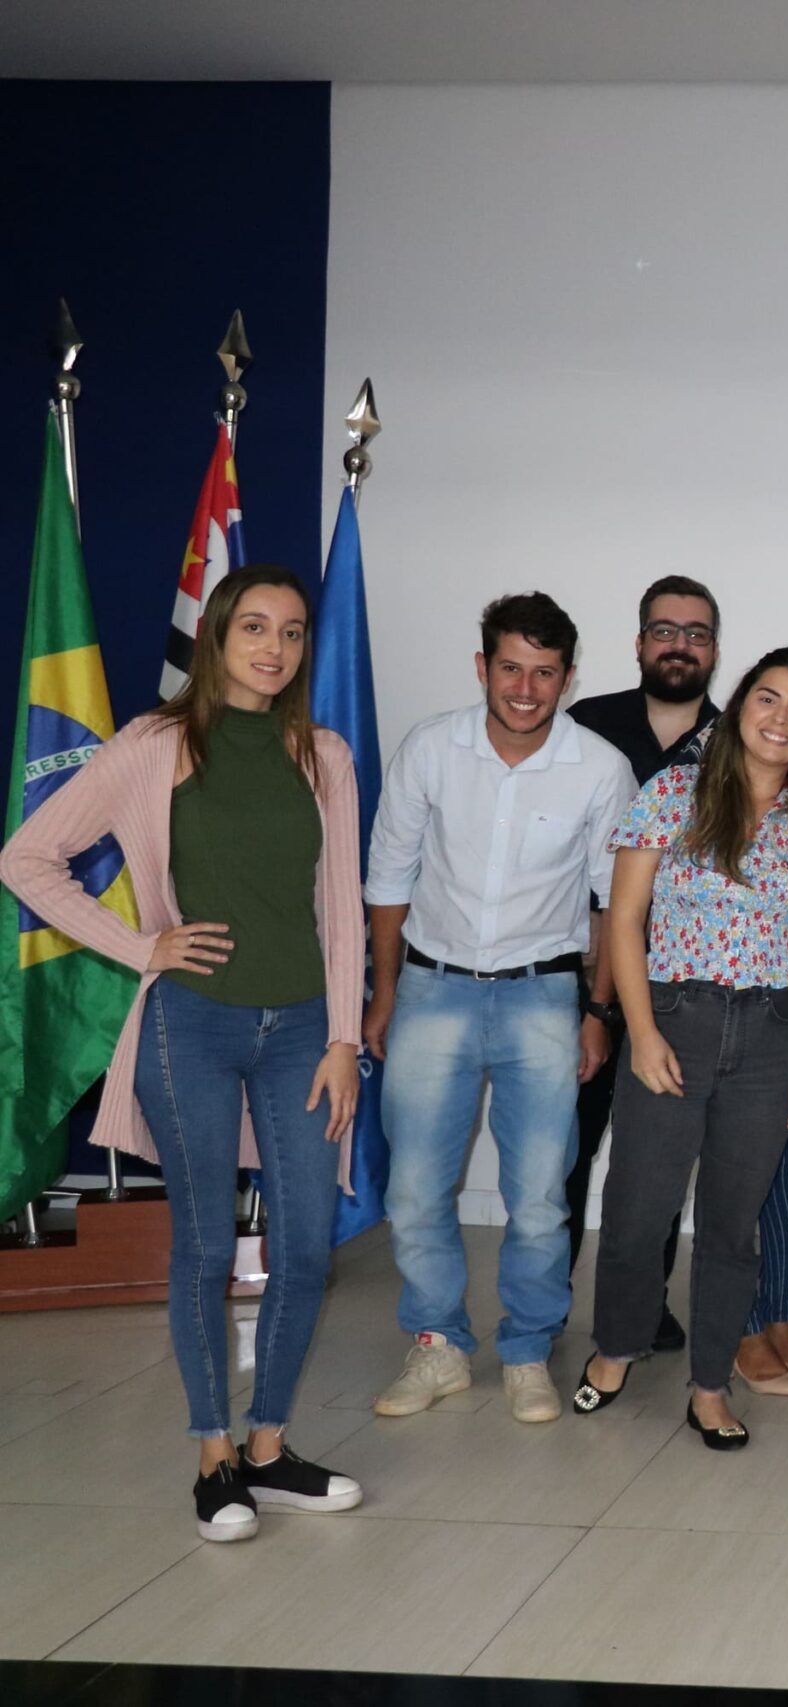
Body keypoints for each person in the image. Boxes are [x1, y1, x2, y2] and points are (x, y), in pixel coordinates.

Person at [1, 564, 366, 1540]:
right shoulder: (151, 744)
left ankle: (268, 1448)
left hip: (301, 1030)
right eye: (256, 627)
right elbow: (25, 857)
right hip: (189, 1026)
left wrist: (343, 1037)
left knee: (304, 1246)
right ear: (216, 636)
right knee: (205, 1247)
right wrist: (139, 947)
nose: (275, 648)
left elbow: (341, 907)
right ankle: (214, 1458)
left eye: (292, 632)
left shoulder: (324, 754)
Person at [364, 593, 636, 1427]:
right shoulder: (429, 749)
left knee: (541, 1193)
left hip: (543, 997)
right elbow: (389, 878)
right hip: (431, 988)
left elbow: (614, 904)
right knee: (415, 1186)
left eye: (544, 673)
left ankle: (526, 1348)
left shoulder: (600, 768)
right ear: (482, 666)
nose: (525, 688)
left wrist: (598, 1012)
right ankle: (437, 1343)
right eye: (511, 668)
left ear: (568, 677)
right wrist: (385, 992)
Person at [572, 650, 788, 1451]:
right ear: (739, 706)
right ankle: (617, 1345)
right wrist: (641, 1030)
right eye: (768, 698)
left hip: (773, 1034)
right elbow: (625, 920)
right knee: (638, 1208)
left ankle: (710, 1384)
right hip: (676, 1020)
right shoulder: (673, 792)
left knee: (733, 1224)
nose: (781, 718)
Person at [565, 574, 724, 1352]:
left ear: (714, 651)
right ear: (638, 642)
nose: (679, 645)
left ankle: (644, 1306)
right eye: (665, 630)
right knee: (568, 1153)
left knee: (658, 1162)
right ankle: (548, 1301)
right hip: (581, 979)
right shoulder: (584, 728)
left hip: (683, 993)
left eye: (696, 633)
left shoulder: (736, 745)